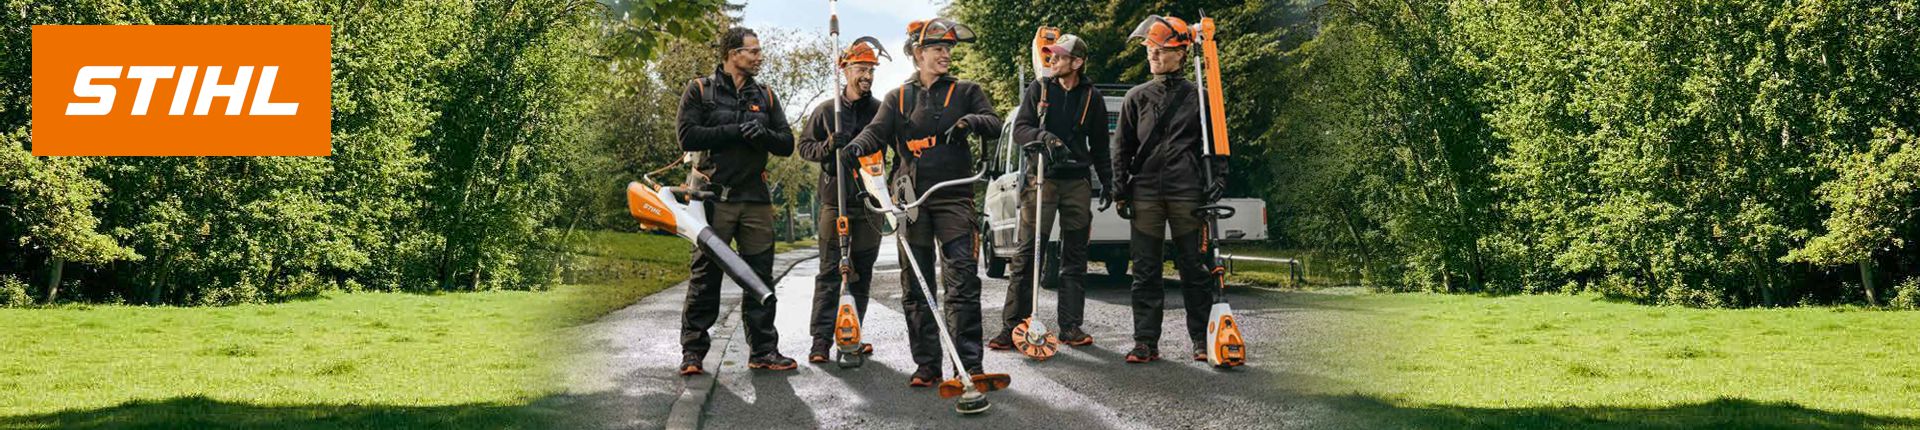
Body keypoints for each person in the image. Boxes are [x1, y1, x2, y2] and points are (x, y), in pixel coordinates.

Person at [841, 18, 1001, 387]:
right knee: (916, 285)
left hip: (955, 196)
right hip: (911, 200)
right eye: (937, 49)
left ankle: (969, 366)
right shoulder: (897, 98)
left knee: (962, 280)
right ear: (918, 53)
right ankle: (927, 366)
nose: (945, 54)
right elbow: (876, 132)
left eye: (948, 49)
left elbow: (994, 122)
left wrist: (970, 122)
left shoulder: (966, 90)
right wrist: (856, 148)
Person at [673, 26, 796, 375]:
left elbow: (786, 143)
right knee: (706, 276)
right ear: (732, 53)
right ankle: (693, 353)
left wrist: (765, 134)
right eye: (752, 51)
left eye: (759, 51)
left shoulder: (767, 96)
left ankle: (763, 351)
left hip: (755, 199)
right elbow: (687, 136)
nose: (759, 57)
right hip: (713, 198)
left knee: (760, 277)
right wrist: (736, 130)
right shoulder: (700, 90)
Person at [1113, 15, 1228, 364]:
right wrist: (1120, 190)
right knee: (1145, 270)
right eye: (1150, 50)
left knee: (1194, 268)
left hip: (1186, 192)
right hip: (1145, 192)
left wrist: (1219, 175)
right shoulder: (1136, 97)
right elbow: (1121, 147)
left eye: (1161, 50)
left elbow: (1218, 140)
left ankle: (1201, 339)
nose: (1153, 56)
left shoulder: (1201, 96)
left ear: (1181, 53)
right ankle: (1145, 341)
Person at [989, 33, 1111, 350]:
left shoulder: (1091, 97)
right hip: (1040, 179)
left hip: (1077, 182)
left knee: (1074, 256)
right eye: (1051, 56)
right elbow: (1019, 130)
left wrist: (1109, 183)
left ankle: (1071, 327)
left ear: (1077, 62)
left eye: (1059, 56)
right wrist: (1044, 137)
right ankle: (1012, 327)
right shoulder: (1039, 89)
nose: (1052, 60)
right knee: (1027, 254)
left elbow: (1099, 145)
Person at [797, 38, 887, 364]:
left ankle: (853, 336)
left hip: (869, 203)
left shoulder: (879, 111)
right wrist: (828, 147)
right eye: (861, 69)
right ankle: (820, 342)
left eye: (871, 70)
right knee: (830, 272)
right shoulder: (826, 111)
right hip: (835, 203)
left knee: (861, 271)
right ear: (846, 71)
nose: (867, 75)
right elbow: (804, 148)